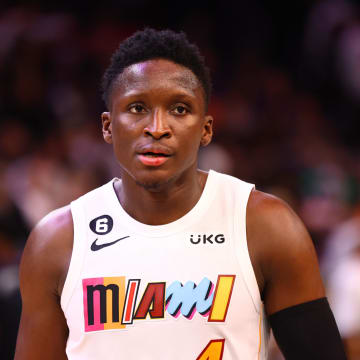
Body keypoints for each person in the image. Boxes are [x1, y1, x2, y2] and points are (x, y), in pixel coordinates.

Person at [14, 28, 346, 360]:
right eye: (137, 107)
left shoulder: (265, 226)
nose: (157, 127)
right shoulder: (56, 241)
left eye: (180, 109)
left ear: (206, 129)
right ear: (107, 126)